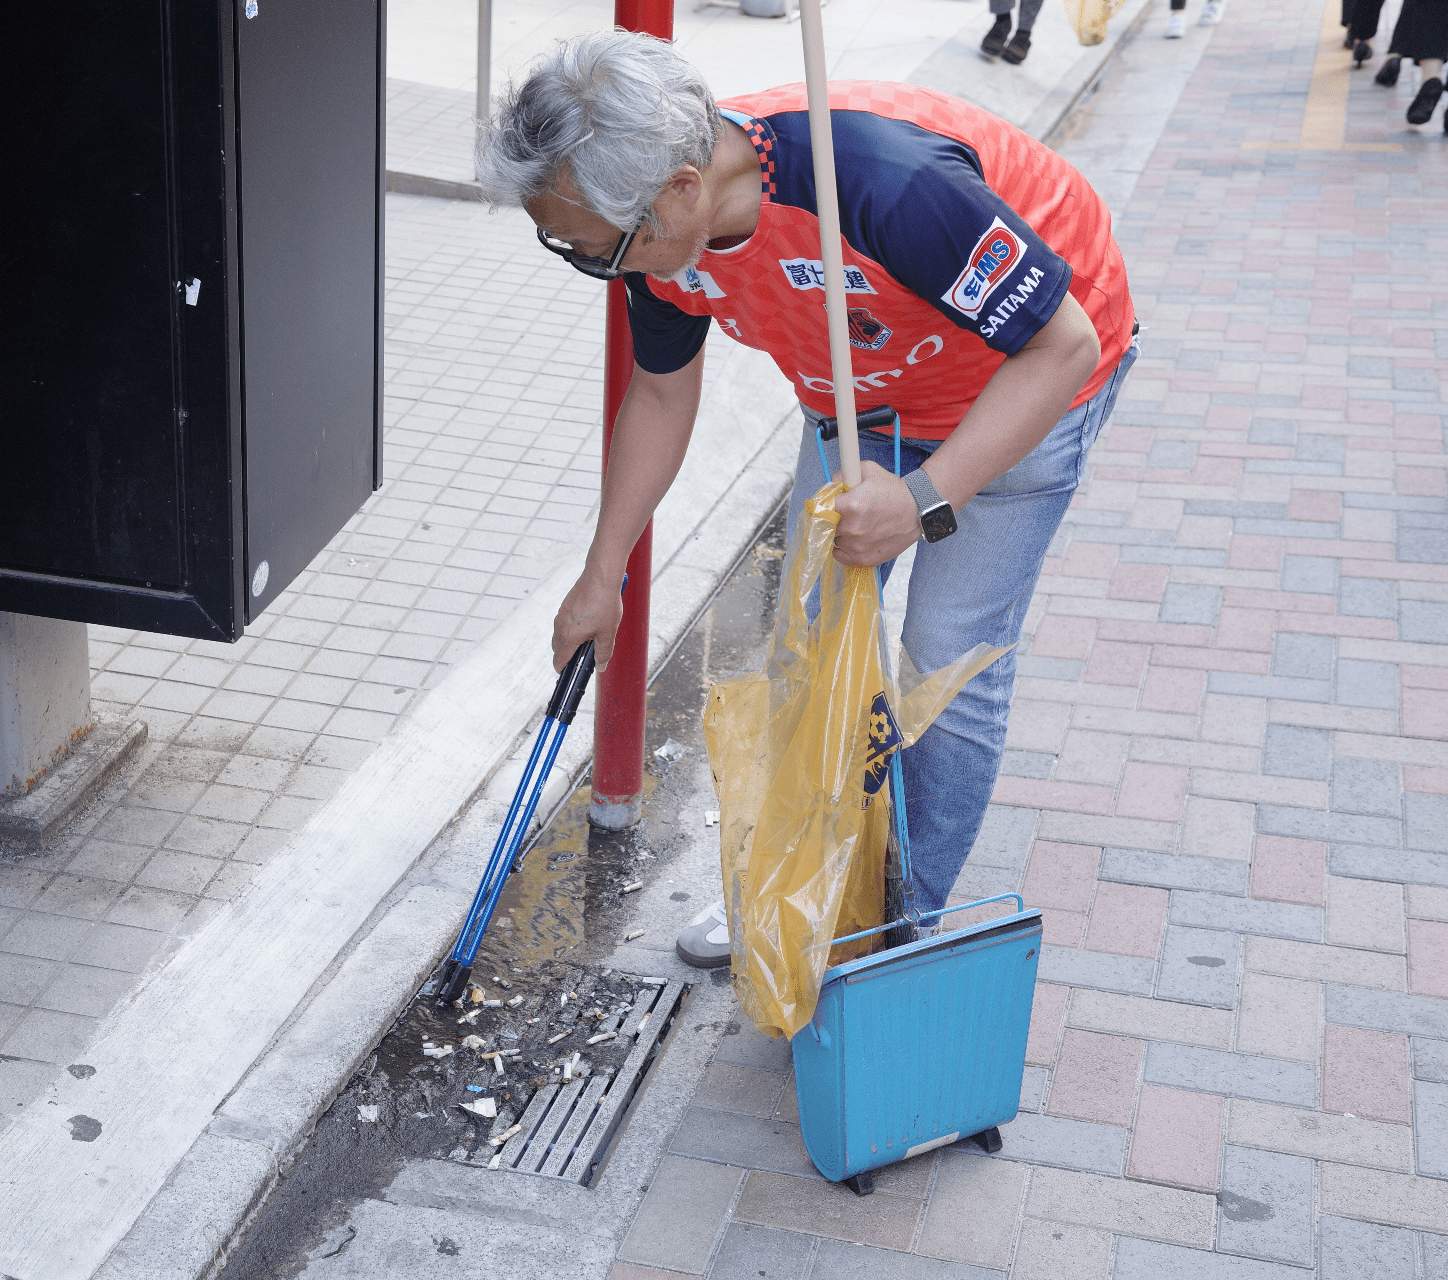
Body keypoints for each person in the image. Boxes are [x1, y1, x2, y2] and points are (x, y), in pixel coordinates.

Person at [475, 31, 1138, 968]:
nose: (603, 272)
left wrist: (923, 499)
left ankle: (896, 934)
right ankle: (791, 898)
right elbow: (660, 393)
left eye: (597, 253)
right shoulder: (661, 244)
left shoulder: (880, 182)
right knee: (804, 647)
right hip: (862, 395)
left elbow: (1059, 346)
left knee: (947, 667)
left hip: (1023, 380)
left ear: (680, 189)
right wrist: (600, 577)